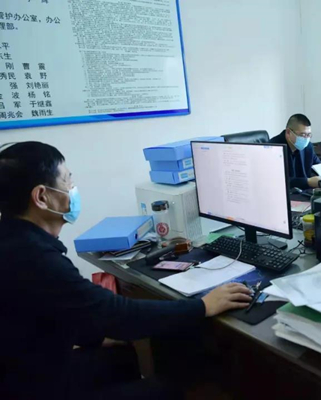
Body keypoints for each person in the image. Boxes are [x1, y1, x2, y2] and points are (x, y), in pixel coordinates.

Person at [0, 142, 253, 400]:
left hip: (26, 370)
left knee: (120, 357)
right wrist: (203, 306)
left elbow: (63, 309)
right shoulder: (34, 258)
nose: (72, 189)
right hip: (32, 387)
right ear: (41, 197)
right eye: (67, 180)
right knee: (166, 390)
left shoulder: (14, 239)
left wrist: (96, 337)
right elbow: (118, 315)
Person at [270, 114, 321, 190]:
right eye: (303, 135)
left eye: (309, 135)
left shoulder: (308, 146)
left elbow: (318, 165)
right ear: (288, 132)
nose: (306, 139)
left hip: (304, 191)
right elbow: (277, 180)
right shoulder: (273, 148)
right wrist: (307, 181)